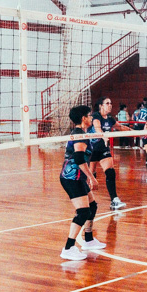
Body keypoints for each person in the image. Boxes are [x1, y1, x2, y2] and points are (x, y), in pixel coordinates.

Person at [58, 105, 105, 261]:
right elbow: (78, 159)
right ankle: (68, 248)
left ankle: (89, 240)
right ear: (83, 118)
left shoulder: (81, 133)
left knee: (92, 206)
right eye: (89, 116)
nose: (91, 118)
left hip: (77, 177)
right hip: (71, 177)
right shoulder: (79, 134)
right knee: (83, 211)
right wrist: (91, 177)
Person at [90, 97, 131, 210]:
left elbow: (120, 127)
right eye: (107, 103)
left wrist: (137, 132)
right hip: (91, 149)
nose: (110, 105)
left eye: (110, 103)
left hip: (103, 149)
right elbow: (97, 127)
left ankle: (114, 200)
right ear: (101, 106)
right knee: (91, 176)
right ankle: (87, 200)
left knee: (111, 173)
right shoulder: (96, 116)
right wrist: (103, 136)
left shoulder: (110, 119)